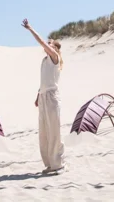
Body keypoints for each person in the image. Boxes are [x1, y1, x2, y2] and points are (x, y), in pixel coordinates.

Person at [22, 18, 65, 174]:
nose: (48, 45)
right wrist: (37, 97)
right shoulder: (45, 60)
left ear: (55, 48)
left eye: (50, 44)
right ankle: (49, 164)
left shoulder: (55, 57)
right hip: (43, 97)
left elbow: (41, 42)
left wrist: (30, 28)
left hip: (52, 98)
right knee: (44, 133)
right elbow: (43, 81)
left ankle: (59, 164)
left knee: (54, 131)